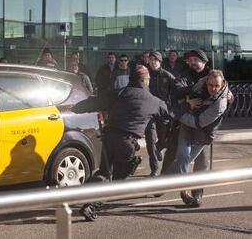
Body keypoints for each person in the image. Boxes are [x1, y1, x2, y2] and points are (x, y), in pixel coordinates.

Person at [74, 65, 169, 221]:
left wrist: (74, 108)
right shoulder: (155, 101)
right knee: (117, 179)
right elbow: (170, 115)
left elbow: (94, 103)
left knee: (104, 174)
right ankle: (92, 205)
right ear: (146, 81)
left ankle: (86, 195)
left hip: (108, 138)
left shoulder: (118, 93)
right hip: (126, 143)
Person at [167, 70, 228, 207]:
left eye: (216, 86)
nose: (213, 88)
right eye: (210, 85)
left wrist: (180, 113)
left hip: (203, 134)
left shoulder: (221, 102)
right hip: (187, 128)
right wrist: (188, 102)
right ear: (206, 81)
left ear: (222, 83)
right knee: (183, 157)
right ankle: (183, 191)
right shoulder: (199, 84)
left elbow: (199, 122)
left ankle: (195, 194)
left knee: (197, 164)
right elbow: (177, 96)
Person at [145, 51, 175, 176]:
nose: (153, 61)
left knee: (163, 141)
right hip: (148, 113)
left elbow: (178, 89)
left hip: (163, 113)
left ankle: (158, 149)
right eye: (151, 59)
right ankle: (155, 169)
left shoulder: (167, 75)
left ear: (160, 61)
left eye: (156, 59)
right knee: (150, 141)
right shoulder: (145, 74)